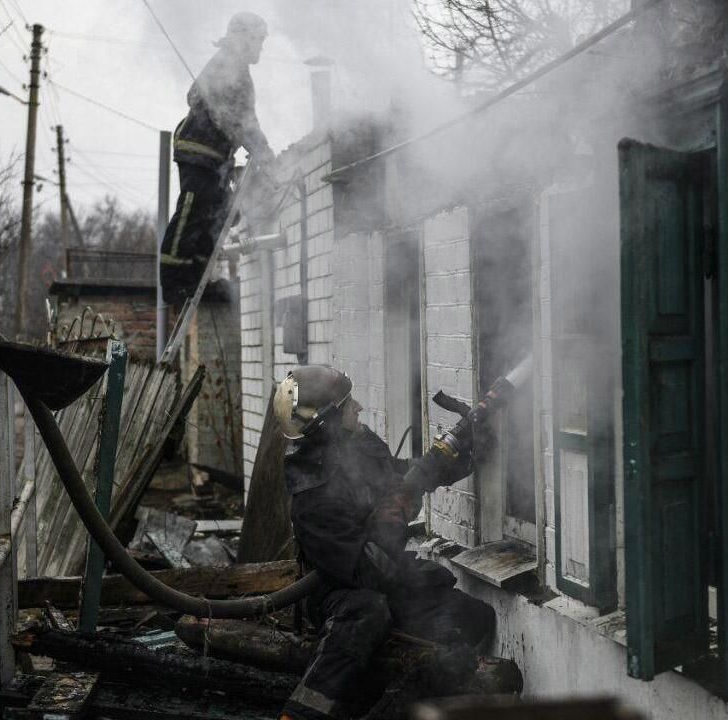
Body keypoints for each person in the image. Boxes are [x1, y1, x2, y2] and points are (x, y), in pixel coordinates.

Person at [272, 365, 496, 720]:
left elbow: (398, 475)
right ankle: (300, 713)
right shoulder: (312, 495)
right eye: (348, 404)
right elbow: (366, 569)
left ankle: (406, 696)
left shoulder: (358, 447)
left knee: (473, 616)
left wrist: (459, 457)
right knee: (369, 610)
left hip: (385, 577)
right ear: (329, 423)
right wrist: (395, 514)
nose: (358, 407)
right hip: (340, 593)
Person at [159, 11, 275, 306]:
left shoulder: (239, 72)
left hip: (218, 160)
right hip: (198, 152)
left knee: (218, 217)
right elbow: (235, 116)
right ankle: (173, 282)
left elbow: (243, 120)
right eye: (257, 40)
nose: (260, 47)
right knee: (191, 212)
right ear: (242, 38)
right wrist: (263, 152)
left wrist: (259, 148)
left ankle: (197, 278)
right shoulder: (227, 63)